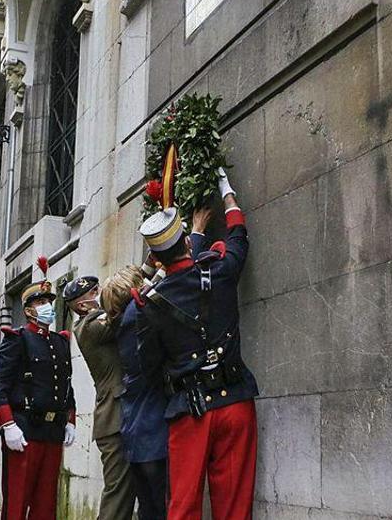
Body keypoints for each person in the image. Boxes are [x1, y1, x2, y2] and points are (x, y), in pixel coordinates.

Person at [136, 168, 258, 520]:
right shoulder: (219, 271)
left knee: (184, 505)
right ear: (187, 242)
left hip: (189, 412)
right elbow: (238, 235)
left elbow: (148, 366)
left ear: (157, 258)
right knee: (234, 506)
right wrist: (227, 191)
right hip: (235, 402)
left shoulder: (150, 305)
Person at [0, 260, 78, 520]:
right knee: (17, 503)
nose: (47, 307)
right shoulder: (18, 339)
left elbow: (65, 384)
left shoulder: (61, 342)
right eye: (41, 303)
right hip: (24, 430)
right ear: (28, 311)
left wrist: (70, 420)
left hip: (52, 432)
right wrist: (7, 425)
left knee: (46, 505)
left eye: (49, 302)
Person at [63, 276, 134, 520]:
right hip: (113, 419)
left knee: (130, 490)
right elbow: (124, 310)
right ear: (83, 305)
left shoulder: (95, 321)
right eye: (95, 290)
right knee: (118, 493)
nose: (102, 291)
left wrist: (148, 266)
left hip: (123, 414)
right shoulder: (88, 327)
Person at [106, 265, 169, 520]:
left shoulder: (122, 320)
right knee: (160, 507)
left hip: (136, 435)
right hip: (153, 434)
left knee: (148, 508)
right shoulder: (138, 315)